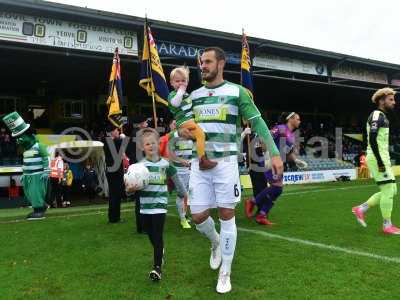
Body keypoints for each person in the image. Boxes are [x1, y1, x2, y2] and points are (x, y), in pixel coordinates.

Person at [179, 47, 283, 294]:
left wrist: (274, 153)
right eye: (201, 62)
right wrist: (182, 131)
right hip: (199, 163)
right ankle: (215, 243)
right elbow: (182, 126)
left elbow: (257, 122)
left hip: (225, 164)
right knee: (198, 217)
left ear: (221, 64)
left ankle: (225, 271)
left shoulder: (237, 92)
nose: (202, 66)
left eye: (207, 62)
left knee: (227, 213)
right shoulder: (193, 96)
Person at [126, 128, 187, 281]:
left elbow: (176, 178)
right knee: (150, 233)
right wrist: (130, 190)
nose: (151, 146)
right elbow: (129, 188)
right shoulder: (138, 167)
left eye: (153, 143)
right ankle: (161, 252)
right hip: (145, 206)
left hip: (160, 205)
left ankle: (157, 268)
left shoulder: (165, 164)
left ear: (158, 144)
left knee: (158, 235)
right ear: (142, 147)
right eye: (147, 144)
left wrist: (183, 192)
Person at [352, 87, 400, 234]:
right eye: (391, 99)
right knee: (387, 190)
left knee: (392, 189)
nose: (394, 102)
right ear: (381, 100)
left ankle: (361, 209)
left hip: (382, 156)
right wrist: (379, 161)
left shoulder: (383, 116)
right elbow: (372, 139)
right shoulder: (377, 115)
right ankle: (387, 225)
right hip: (377, 157)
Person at [245, 112, 306, 225]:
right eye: (297, 119)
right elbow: (265, 138)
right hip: (271, 160)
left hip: (279, 163)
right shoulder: (280, 128)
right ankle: (253, 204)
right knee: (276, 187)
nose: (299, 121)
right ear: (290, 119)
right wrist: (267, 155)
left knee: (278, 189)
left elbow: (288, 153)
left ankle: (261, 213)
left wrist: (296, 160)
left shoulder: (291, 136)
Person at [2, 111, 50, 220]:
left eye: (21, 137)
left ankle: (39, 210)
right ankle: (40, 207)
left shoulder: (39, 146)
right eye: (17, 138)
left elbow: (46, 158)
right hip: (28, 176)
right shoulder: (25, 150)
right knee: (29, 193)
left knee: (35, 192)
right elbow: (25, 162)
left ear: (29, 135)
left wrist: (47, 171)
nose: (19, 140)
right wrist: (24, 173)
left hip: (37, 175)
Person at [168, 66, 216, 170]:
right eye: (177, 81)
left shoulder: (187, 95)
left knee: (201, 136)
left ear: (187, 82)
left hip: (191, 120)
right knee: (201, 135)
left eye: (183, 81)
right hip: (184, 121)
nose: (180, 83)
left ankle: (201, 156)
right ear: (171, 83)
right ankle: (202, 161)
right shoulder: (173, 94)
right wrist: (180, 92)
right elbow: (175, 104)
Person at [164, 119, 192, 229]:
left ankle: (185, 215)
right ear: (170, 125)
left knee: (189, 194)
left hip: (189, 170)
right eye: (174, 124)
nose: (176, 126)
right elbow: (168, 154)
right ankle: (183, 219)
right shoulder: (171, 137)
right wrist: (181, 161)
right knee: (182, 194)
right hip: (177, 170)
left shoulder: (190, 136)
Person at [126, 115, 149, 233]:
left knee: (139, 198)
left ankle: (141, 226)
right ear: (140, 124)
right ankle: (143, 226)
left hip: (135, 167)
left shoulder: (134, 134)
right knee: (142, 199)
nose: (147, 124)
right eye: (145, 122)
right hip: (140, 168)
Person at [103, 122, 126, 223]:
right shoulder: (109, 141)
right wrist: (122, 139)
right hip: (114, 171)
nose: (118, 131)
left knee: (116, 194)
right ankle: (114, 217)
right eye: (117, 130)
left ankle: (115, 217)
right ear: (112, 131)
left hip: (115, 171)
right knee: (114, 195)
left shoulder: (112, 141)